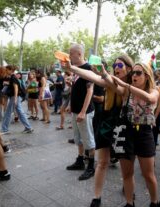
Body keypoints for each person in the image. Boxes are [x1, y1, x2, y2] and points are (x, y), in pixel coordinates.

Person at [61, 54, 134, 207]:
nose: (116, 68)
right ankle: (96, 197)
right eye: (115, 65)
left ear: (129, 67)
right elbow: (92, 77)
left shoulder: (132, 83)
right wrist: (72, 68)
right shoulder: (109, 79)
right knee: (101, 163)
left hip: (125, 126)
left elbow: (120, 91)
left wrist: (104, 74)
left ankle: (128, 193)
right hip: (107, 123)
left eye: (120, 65)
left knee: (126, 167)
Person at [108, 63, 159, 207]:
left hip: (144, 134)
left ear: (147, 76)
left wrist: (128, 85)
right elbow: (105, 81)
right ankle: (129, 203)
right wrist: (104, 74)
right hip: (127, 132)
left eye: (138, 73)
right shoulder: (126, 90)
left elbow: (151, 99)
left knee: (148, 175)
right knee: (127, 174)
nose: (134, 76)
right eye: (133, 73)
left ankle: (154, 202)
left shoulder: (154, 90)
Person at [65, 43, 96, 181]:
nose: (69, 55)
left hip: (85, 112)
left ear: (79, 54)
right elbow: (78, 89)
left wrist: (83, 111)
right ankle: (80, 160)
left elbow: (90, 91)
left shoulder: (88, 68)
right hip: (75, 110)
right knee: (78, 138)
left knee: (88, 139)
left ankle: (91, 166)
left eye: (71, 53)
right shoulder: (76, 68)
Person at [0, 65, 33, 134]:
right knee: (20, 112)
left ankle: (4, 129)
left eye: (6, 70)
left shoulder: (13, 77)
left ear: (10, 70)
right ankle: (28, 127)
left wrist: (15, 98)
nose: (5, 71)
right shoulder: (13, 77)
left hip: (15, 97)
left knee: (8, 113)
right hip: (16, 97)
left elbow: (16, 88)